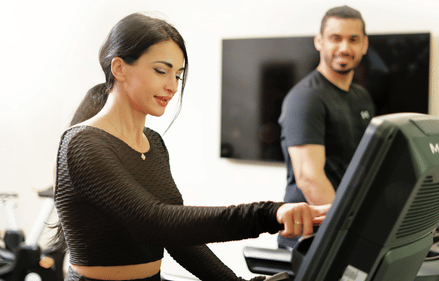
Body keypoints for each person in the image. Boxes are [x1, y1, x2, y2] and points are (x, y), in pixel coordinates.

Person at [52, 12, 330, 281]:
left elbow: (179, 240)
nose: (172, 86)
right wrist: (269, 214)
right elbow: (156, 222)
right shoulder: (82, 143)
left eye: (178, 75)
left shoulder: (154, 144)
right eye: (161, 71)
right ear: (119, 68)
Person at [277, 6, 375, 250]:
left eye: (353, 39)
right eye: (335, 38)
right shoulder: (306, 98)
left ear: (364, 45)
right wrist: (347, 232)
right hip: (313, 237)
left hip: (345, 228)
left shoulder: (361, 97)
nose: (344, 47)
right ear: (319, 42)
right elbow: (309, 178)